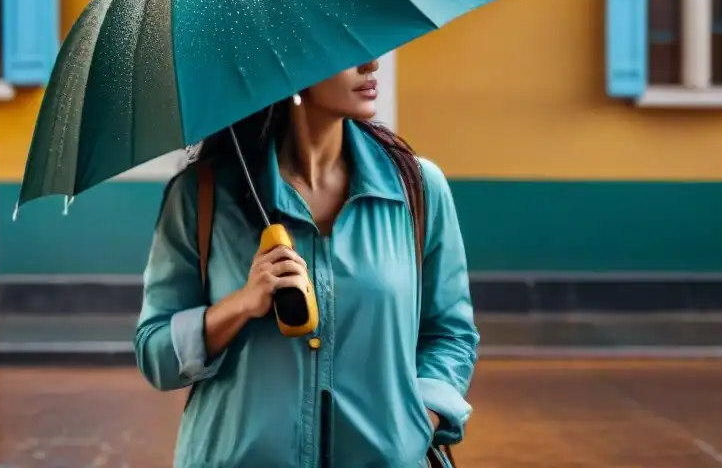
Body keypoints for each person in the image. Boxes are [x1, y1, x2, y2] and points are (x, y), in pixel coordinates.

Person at [134, 59, 479, 468]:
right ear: (291, 67)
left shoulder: (417, 189)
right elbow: (155, 353)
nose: (371, 64)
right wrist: (241, 305)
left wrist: (417, 419)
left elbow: (450, 333)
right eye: (348, 49)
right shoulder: (202, 196)